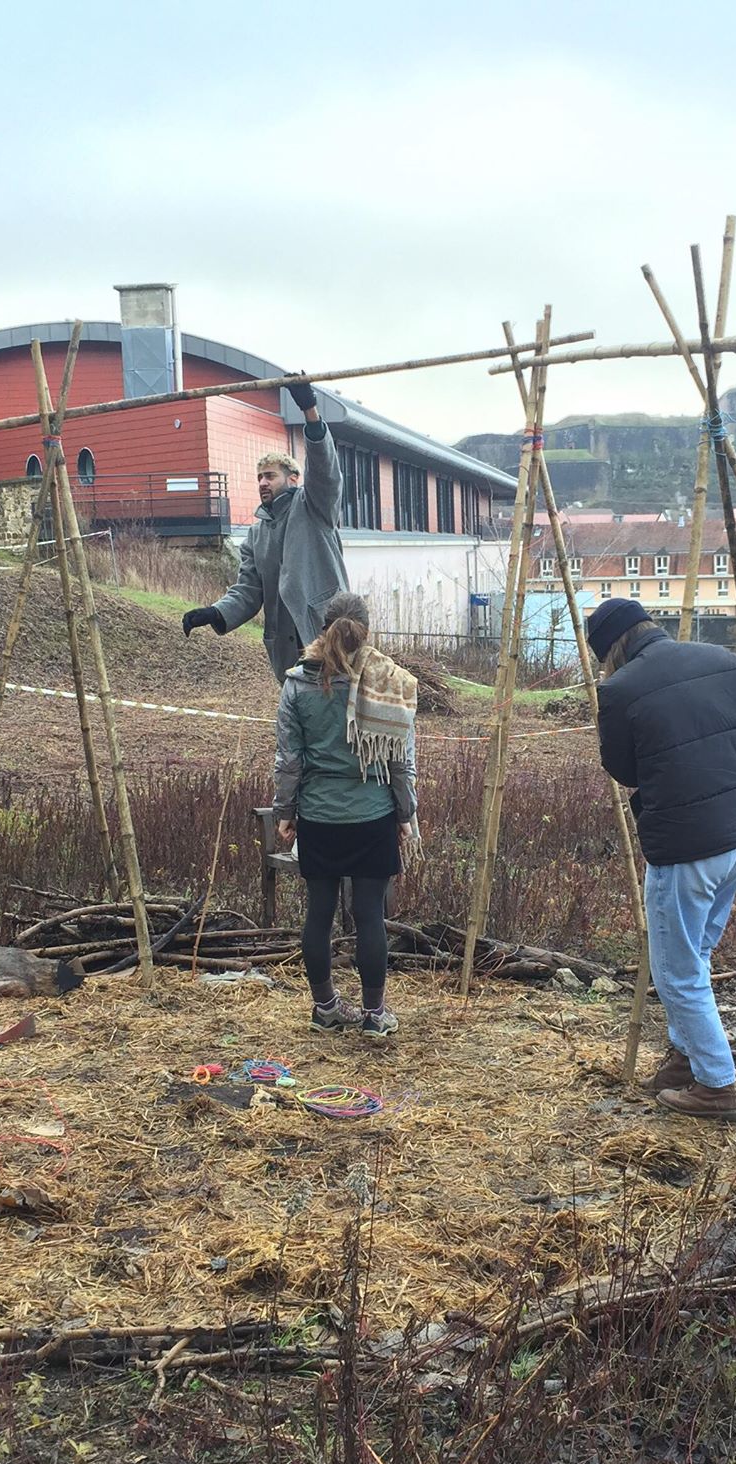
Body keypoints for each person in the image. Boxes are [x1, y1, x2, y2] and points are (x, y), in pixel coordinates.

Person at [591, 597, 736, 1121]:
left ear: (612, 648)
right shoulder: (729, 663)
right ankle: (684, 1058)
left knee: (676, 972)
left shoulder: (618, 689)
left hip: (685, 849)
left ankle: (716, 1084)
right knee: (696, 955)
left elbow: (623, 770)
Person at [272, 591, 418, 1039]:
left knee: (318, 913)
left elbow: (289, 760)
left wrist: (285, 811)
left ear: (321, 630)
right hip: (372, 817)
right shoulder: (388, 682)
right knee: (370, 915)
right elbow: (400, 761)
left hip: (318, 818)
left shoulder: (297, 684)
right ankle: (375, 1016)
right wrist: (405, 813)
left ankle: (326, 1009)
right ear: (367, 632)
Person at [183, 379, 349, 682]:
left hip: (327, 633)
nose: (262, 483)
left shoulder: (315, 507)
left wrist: (309, 411)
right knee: (298, 719)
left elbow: (325, 472)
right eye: (259, 477)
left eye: (270, 476)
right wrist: (215, 612)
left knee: (335, 715)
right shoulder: (255, 536)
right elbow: (249, 590)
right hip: (287, 646)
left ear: (293, 478)